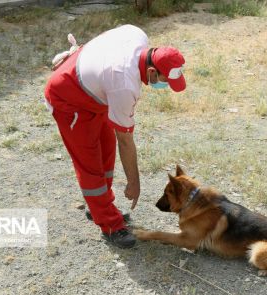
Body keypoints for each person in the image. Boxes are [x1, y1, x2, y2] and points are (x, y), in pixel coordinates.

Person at [43, 24, 186, 248]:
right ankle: (110, 224)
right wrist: (134, 183)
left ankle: (100, 206)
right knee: (90, 163)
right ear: (151, 72)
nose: (165, 86)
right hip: (68, 98)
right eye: (165, 81)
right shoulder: (124, 85)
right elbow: (126, 141)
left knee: (106, 150)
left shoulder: (137, 34)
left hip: (94, 93)